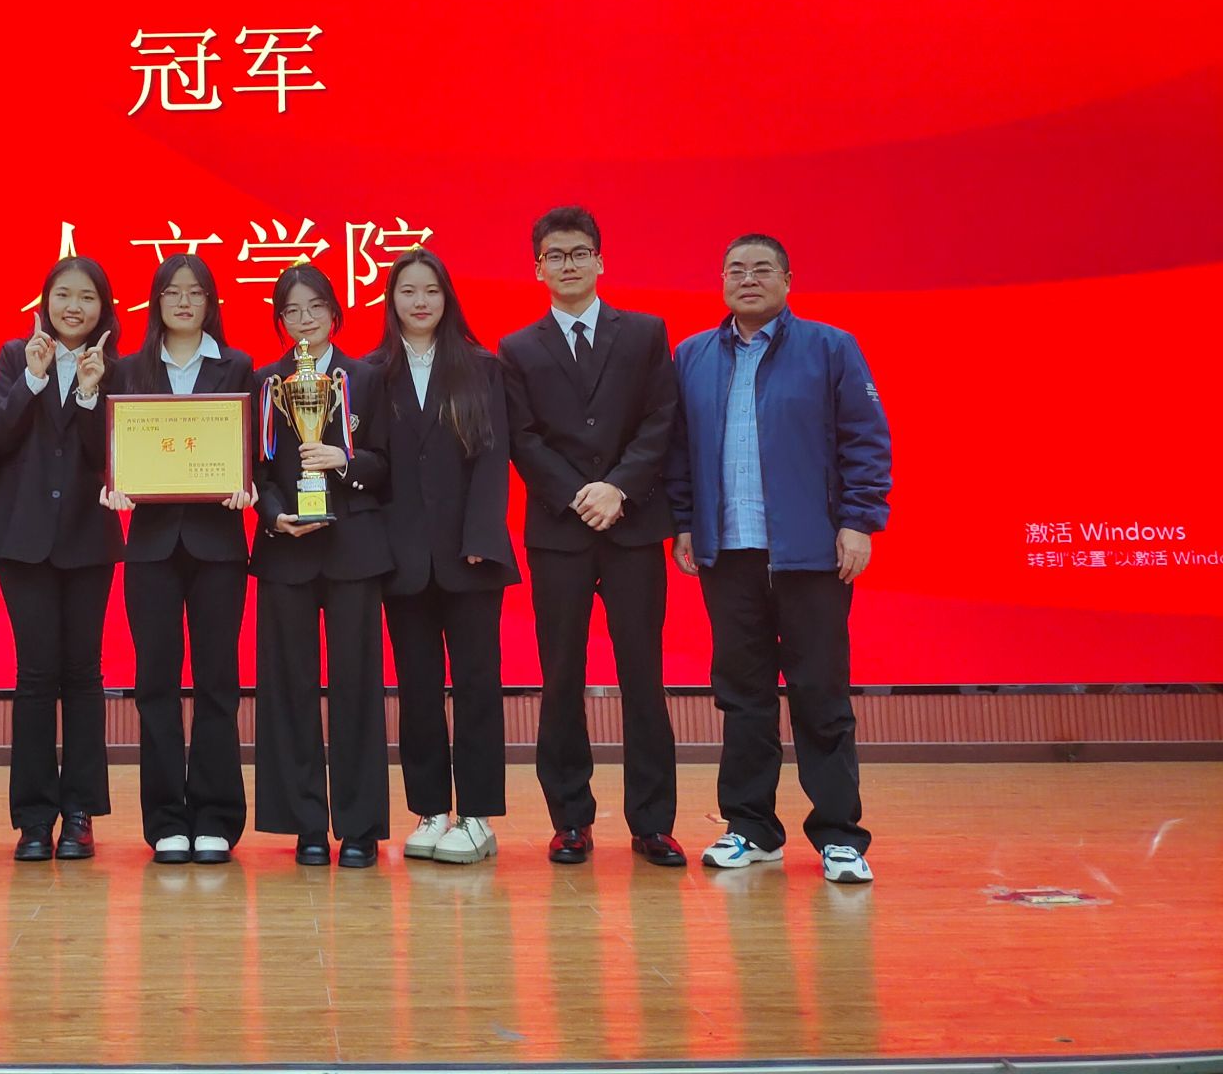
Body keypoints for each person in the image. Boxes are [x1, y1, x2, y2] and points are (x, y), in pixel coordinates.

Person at [669, 233, 891, 885]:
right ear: (721, 281)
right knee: (743, 697)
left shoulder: (830, 347)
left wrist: (858, 521)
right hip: (727, 553)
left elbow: (865, 439)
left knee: (821, 694)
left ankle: (839, 836)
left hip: (811, 553)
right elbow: (678, 451)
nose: (748, 279)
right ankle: (751, 829)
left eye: (762, 269)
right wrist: (684, 523)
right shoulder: (692, 356)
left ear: (788, 280)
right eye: (735, 269)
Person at [500, 206, 685, 868]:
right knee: (561, 677)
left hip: (632, 528)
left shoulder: (644, 333)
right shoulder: (517, 349)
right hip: (560, 532)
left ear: (601, 261)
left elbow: (661, 420)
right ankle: (570, 820)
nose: (569, 264)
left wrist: (618, 489)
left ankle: (653, 822)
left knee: (643, 676)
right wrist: (580, 494)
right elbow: (523, 438)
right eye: (556, 255)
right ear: (538, 268)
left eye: (580, 253)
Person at [102, 253, 257, 864]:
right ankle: (166, 818)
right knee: (155, 685)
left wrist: (246, 484)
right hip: (152, 548)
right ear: (157, 302)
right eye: (173, 292)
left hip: (219, 546)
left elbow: (252, 449)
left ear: (211, 302)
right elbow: (112, 449)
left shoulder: (236, 366)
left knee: (218, 682)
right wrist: (115, 484)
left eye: (196, 292)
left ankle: (216, 816)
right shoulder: (129, 368)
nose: (184, 302)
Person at [368, 249, 518, 865]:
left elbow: (493, 458)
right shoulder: (372, 372)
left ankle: (477, 814)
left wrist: (481, 537)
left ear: (447, 296)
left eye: (430, 290)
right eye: (408, 291)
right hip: (402, 559)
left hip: (469, 555)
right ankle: (430, 808)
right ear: (392, 301)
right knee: (418, 688)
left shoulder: (481, 367)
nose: (420, 301)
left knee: (477, 684)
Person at [0, 257, 120, 861]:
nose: (73, 307)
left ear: (102, 307)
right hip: (23, 539)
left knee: (83, 674)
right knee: (35, 675)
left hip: (88, 538)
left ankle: (80, 812)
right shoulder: (16, 356)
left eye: (86, 297)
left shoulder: (115, 366)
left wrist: (89, 392)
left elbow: (105, 454)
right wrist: (33, 380)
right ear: (45, 301)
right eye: (63, 295)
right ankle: (33, 818)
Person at [251, 264, 393, 868]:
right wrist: (274, 515)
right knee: (288, 688)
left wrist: (345, 461)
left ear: (335, 313)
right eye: (291, 310)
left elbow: (388, 465)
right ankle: (305, 824)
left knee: (357, 687)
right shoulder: (266, 382)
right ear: (280, 320)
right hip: (286, 549)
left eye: (314, 308)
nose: (303, 319)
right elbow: (254, 468)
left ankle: (360, 827)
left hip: (354, 550)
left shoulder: (367, 377)